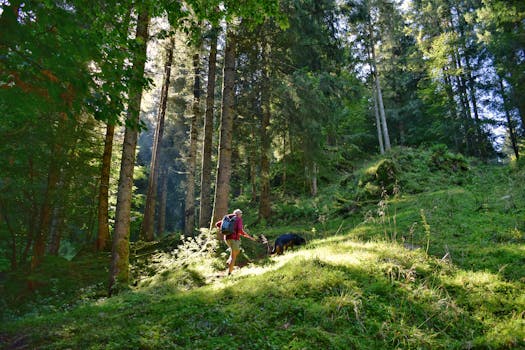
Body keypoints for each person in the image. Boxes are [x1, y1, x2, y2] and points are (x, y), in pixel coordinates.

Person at [215, 209, 255, 275]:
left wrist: (225, 230)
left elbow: (217, 224)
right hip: (234, 239)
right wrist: (249, 237)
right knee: (234, 256)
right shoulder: (238, 219)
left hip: (227, 239)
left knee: (236, 251)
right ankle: (229, 273)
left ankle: (229, 261)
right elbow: (240, 230)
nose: (241, 215)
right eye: (241, 214)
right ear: (238, 214)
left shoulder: (228, 218)